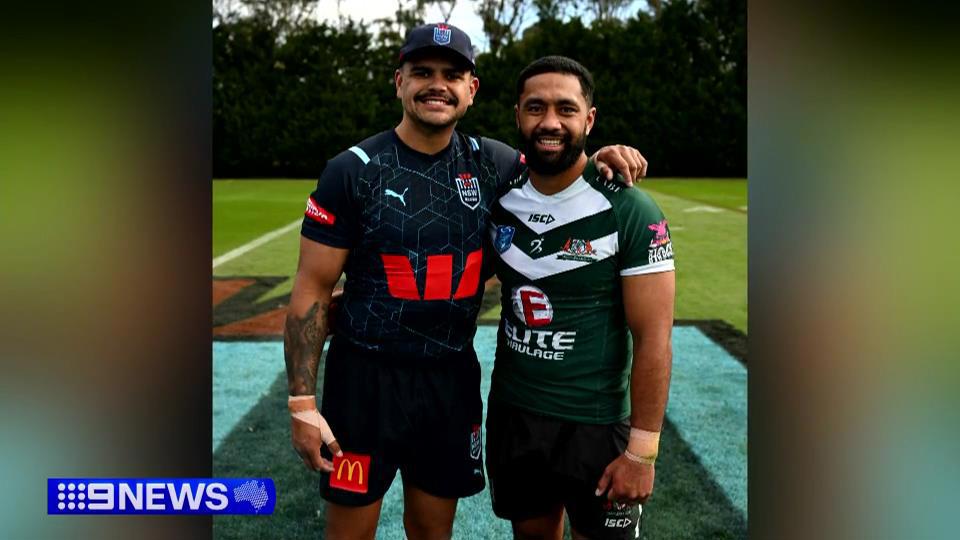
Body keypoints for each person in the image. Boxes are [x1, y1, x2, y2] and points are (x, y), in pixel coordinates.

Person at [283, 24, 648, 540]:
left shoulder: (495, 164)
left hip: (448, 387)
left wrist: (604, 158)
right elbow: (313, 289)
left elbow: (558, 166)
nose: (438, 85)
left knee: (433, 532)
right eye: (422, 73)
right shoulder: (352, 171)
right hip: (361, 392)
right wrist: (302, 403)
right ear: (399, 82)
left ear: (471, 90)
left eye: (452, 75)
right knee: (349, 530)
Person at [485, 56, 675, 540]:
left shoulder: (629, 208)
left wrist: (642, 452)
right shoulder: (499, 198)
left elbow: (653, 338)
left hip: (594, 425)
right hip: (515, 415)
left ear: (588, 119)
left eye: (566, 109)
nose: (550, 122)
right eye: (536, 107)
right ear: (517, 115)